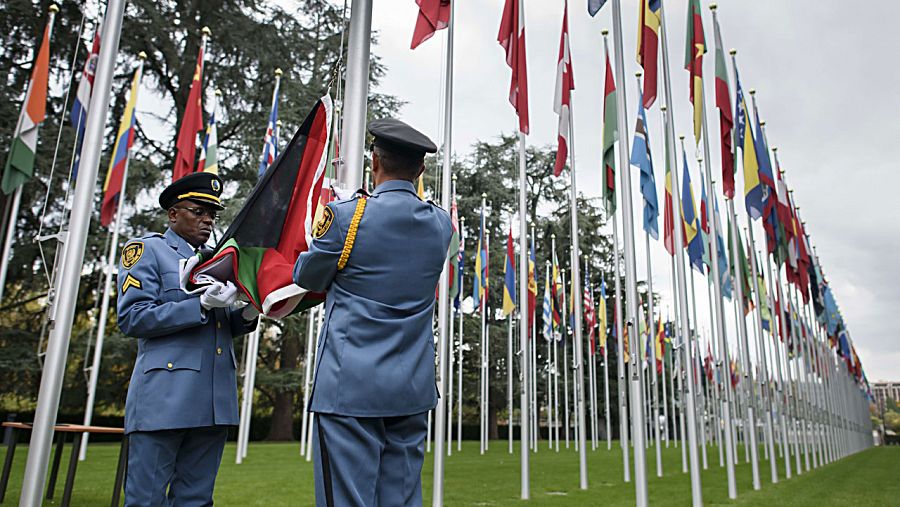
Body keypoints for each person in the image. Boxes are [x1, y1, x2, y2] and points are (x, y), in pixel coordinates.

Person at [294, 118, 452, 507]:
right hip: (412, 387)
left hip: (351, 386)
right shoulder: (441, 224)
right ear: (421, 170)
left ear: (374, 163)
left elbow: (306, 274)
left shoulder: (346, 216)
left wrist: (343, 211)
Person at [117, 171, 258, 506]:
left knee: (196, 500)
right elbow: (132, 317)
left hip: (213, 399)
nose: (208, 219)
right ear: (173, 214)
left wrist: (249, 313)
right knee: (146, 500)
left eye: (213, 214)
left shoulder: (219, 260)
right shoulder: (149, 250)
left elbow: (218, 327)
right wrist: (200, 304)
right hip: (165, 397)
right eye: (198, 211)